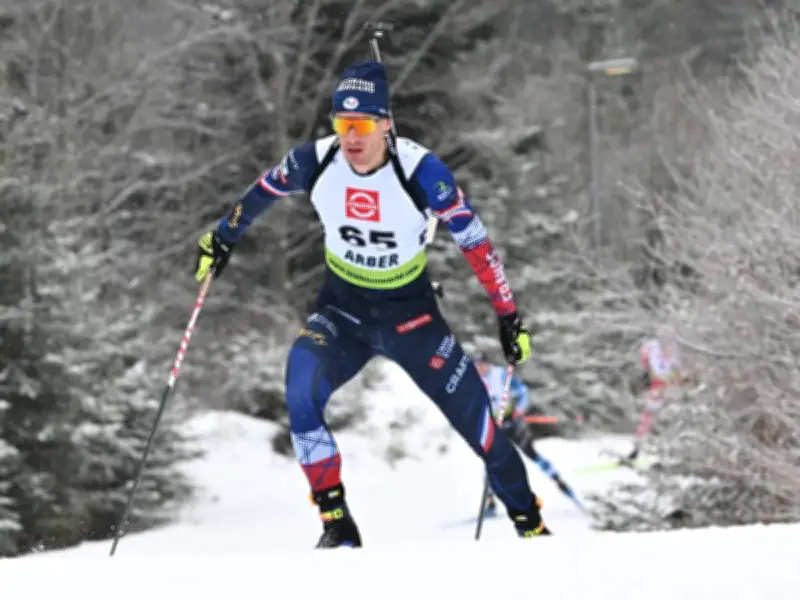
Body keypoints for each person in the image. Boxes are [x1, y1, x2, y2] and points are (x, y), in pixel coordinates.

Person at [192, 60, 551, 547]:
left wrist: (508, 316)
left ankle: (531, 525)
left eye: (361, 125)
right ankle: (337, 524)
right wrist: (223, 237)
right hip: (343, 315)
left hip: (414, 321)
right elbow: (260, 193)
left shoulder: (421, 171)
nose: (350, 137)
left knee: (483, 430)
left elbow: (476, 244)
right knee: (300, 393)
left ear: (385, 124)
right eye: (342, 124)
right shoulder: (315, 161)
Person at [473, 353, 583, 515]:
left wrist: (518, 411)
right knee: (491, 463)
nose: (478, 368)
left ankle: (563, 486)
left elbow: (522, 391)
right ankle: (490, 503)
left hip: (511, 422)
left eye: (480, 364)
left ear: (487, 363)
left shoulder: (501, 374)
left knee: (533, 454)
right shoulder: (474, 380)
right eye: (475, 365)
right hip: (494, 425)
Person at [625, 326, 692, 462]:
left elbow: (677, 371)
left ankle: (674, 450)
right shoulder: (652, 349)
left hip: (668, 387)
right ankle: (637, 448)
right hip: (658, 386)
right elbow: (653, 368)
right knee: (649, 416)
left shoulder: (675, 352)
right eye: (664, 341)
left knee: (673, 415)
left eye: (669, 342)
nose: (667, 345)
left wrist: (680, 380)